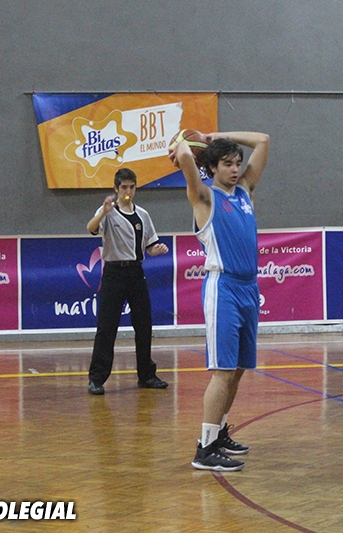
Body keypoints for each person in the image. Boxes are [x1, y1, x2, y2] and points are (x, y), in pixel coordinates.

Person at [169, 130, 270, 472]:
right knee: (223, 371)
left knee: (238, 369)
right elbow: (185, 154)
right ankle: (205, 447)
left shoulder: (244, 191)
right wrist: (182, 144)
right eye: (227, 163)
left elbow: (263, 140)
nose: (235, 169)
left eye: (238, 163)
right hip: (223, 288)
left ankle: (220, 431)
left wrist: (216, 135)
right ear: (211, 167)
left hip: (248, 288)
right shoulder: (204, 197)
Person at [86, 168, 170, 395]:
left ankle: (147, 375)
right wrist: (102, 213)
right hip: (114, 273)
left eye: (132, 187)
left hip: (135, 273)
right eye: (124, 187)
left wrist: (158, 249)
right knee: (107, 327)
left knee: (143, 325)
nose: (128, 191)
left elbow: (150, 246)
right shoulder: (107, 211)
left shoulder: (142, 215)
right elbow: (91, 228)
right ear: (116, 188)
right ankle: (96, 378)